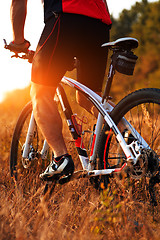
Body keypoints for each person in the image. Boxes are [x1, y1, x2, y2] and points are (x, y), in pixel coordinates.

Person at [10, 0, 112, 180]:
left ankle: (60, 159)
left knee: (40, 92)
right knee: (89, 97)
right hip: (100, 24)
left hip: (65, 17)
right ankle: (133, 143)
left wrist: (18, 42)